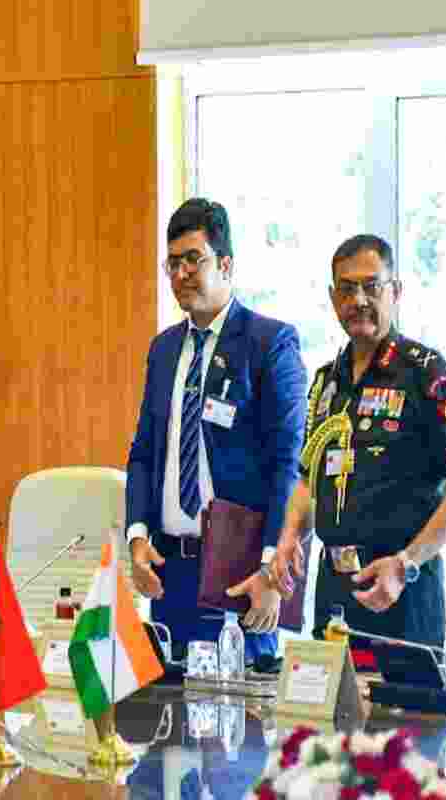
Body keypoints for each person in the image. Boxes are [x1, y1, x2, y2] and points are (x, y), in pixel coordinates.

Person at [125, 198, 307, 660]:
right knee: (170, 721)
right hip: (171, 573)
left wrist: (272, 565)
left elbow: (289, 464)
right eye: (173, 263)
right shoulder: (164, 350)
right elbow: (145, 452)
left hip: (241, 570)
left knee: (241, 726)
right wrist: (138, 536)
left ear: (225, 264)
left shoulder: (269, 343)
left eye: (194, 259)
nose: (182, 273)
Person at [272, 234, 446, 647]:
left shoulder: (428, 375)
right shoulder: (327, 381)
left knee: (405, 714)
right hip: (335, 592)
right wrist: (289, 536)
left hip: (402, 594)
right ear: (333, 298)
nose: (359, 299)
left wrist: (407, 563)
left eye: (371, 286)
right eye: (347, 289)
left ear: (395, 291)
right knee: (326, 711)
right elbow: (309, 478)